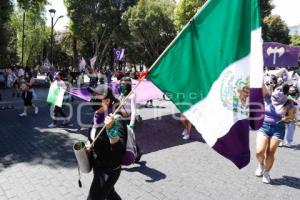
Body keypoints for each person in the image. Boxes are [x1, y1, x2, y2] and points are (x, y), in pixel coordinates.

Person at [86, 85, 126, 200]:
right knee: (110, 194)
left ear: (107, 101)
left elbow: (119, 153)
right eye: (93, 95)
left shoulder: (116, 119)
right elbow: (94, 137)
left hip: (108, 170)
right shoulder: (97, 116)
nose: (93, 98)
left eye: (97, 96)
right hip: (98, 166)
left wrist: (111, 130)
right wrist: (90, 145)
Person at [255, 82, 296, 184]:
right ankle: (261, 164)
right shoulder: (267, 97)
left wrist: (287, 118)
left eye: (282, 90)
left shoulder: (288, 103)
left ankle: (266, 173)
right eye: (278, 89)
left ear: (285, 93)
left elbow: (290, 118)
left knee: (270, 152)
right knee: (259, 152)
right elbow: (261, 84)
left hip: (278, 129)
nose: (279, 92)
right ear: (274, 88)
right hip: (264, 126)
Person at [119, 77, 142, 162]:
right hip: (121, 119)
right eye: (121, 83)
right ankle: (123, 155)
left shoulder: (132, 95)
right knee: (122, 138)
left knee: (130, 138)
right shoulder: (121, 94)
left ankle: (138, 152)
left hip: (129, 119)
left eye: (124, 83)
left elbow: (133, 110)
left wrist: (132, 123)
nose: (122, 85)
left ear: (128, 84)